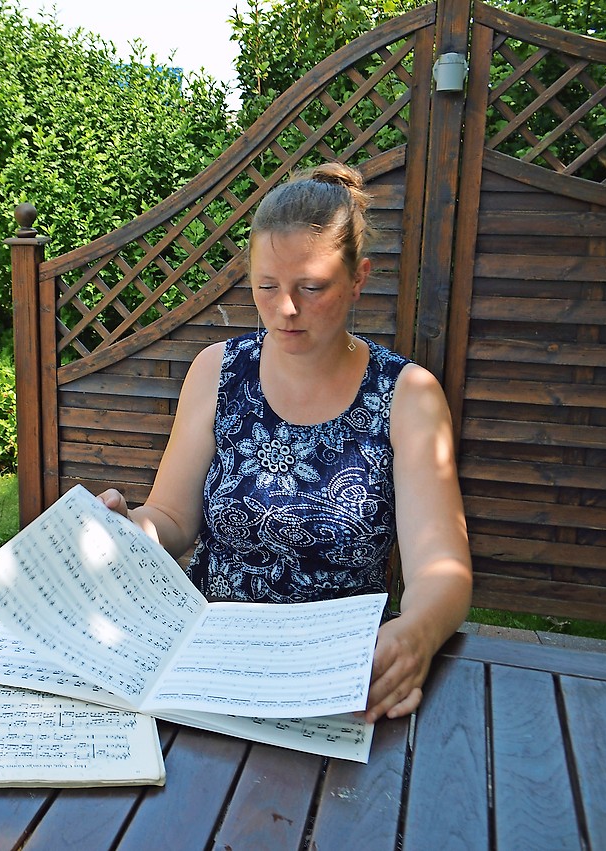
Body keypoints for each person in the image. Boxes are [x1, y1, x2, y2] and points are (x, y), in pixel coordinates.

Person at [99, 162, 473, 724]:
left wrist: (416, 634)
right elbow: (174, 516)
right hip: (209, 670)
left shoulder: (407, 396)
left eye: (312, 288)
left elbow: (441, 569)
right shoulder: (217, 372)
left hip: (339, 682)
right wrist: (132, 531)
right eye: (267, 287)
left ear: (359, 278)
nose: (286, 309)